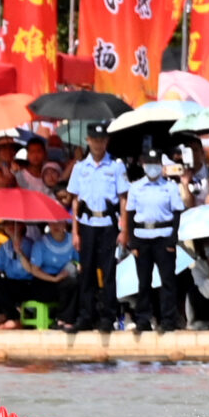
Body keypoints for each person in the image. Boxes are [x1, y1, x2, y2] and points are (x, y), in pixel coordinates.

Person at [64, 130, 129, 332]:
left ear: (106, 141)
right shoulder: (80, 167)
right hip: (87, 223)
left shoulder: (116, 166)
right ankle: (86, 316)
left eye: (101, 140)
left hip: (108, 224)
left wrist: (124, 229)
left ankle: (108, 317)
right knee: (87, 272)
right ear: (88, 141)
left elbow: (123, 199)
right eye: (94, 140)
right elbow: (75, 200)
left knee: (109, 273)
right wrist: (75, 232)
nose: (98, 144)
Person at [124, 146, 186, 333]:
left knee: (167, 281)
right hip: (142, 237)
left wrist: (172, 239)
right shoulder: (135, 187)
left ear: (161, 165)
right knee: (144, 281)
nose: (152, 167)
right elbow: (130, 214)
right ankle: (143, 319)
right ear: (143, 164)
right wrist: (133, 242)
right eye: (149, 163)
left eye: (156, 163)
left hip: (163, 236)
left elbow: (177, 213)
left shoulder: (170, 187)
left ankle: (168, 320)